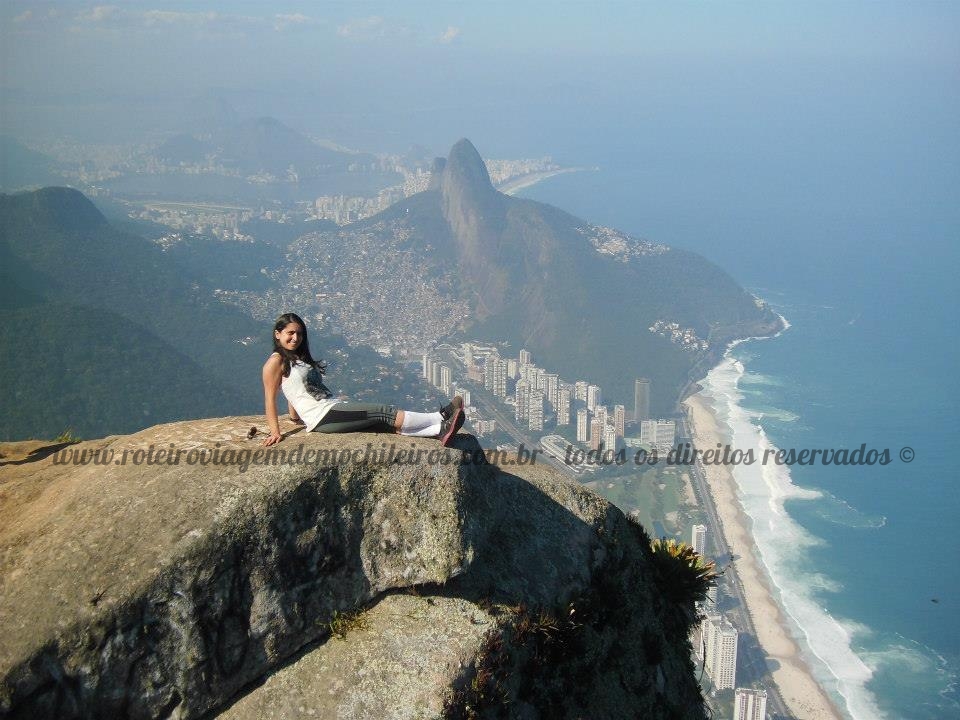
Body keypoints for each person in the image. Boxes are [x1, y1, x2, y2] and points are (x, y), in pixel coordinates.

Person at [262, 312, 464, 448]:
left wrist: (295, 417)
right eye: (290, 333)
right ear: (277, 334)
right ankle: (440, 417)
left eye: (299, 334)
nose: (295, 338)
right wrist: (275, 432)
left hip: (328, 409)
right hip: (322, 416)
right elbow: (270, 398)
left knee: (383, 425)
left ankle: (439, 431)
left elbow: (294, 391)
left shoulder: (296, 358)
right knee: (383, 412)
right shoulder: (275, 362)